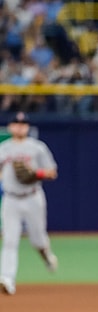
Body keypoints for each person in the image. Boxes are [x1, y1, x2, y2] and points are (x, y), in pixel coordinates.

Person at [0, 112, 59, 295]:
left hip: (33, 197)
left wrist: (36, 173)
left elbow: (52, 172)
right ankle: (7, 279)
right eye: (16, 124)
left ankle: (47, 256)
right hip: (10, 199)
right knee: (9, 241)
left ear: (28, 127)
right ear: (10, 127)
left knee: (38, 240)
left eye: (23, 124)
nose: (20, 127)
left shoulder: (37, 148)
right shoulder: (3, 148)